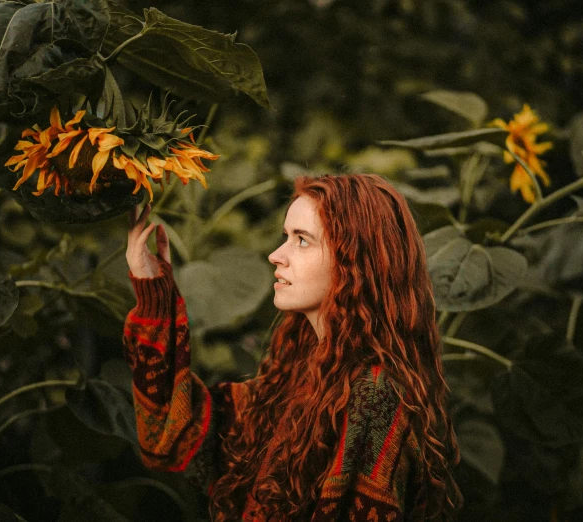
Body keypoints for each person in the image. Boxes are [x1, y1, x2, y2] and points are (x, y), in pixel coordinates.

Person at [123, 174, 462, 521]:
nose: (275, 255)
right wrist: (153, 293)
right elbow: (175, 433)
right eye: (286, 237)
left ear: (355, 261)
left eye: (302, 241)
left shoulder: (373, 395)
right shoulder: (301, 379)